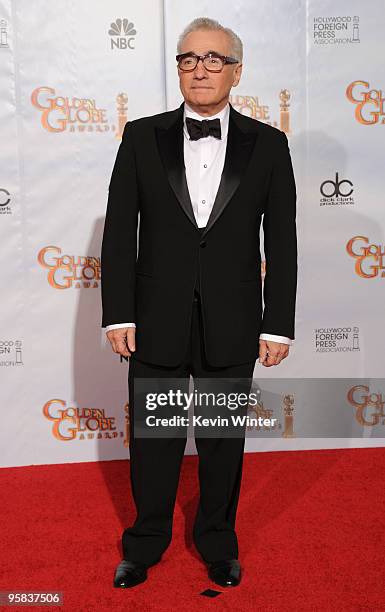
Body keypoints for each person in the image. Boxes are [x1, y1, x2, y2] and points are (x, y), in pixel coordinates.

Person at [101, 17, 297, 589]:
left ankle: (217, 542)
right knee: (156, 440)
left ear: (237, 70)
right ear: (178, 69)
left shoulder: (269, 143)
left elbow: (280, 240)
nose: (200, 69)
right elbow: (119, 233)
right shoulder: (141, 136)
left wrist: (277, 325)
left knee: (220, 443)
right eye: (189, 58)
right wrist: (118, 312)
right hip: (154, 320)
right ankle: (144, 543)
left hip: (233, 321)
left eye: (214, 59)